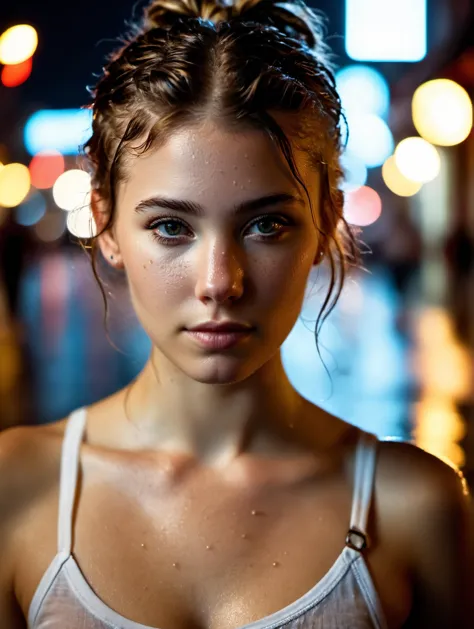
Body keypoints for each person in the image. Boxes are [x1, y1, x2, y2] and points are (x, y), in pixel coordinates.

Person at [0, 0, 471, 627]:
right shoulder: (17, 489)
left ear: (326, 222)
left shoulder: (415, 507)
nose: (220, 282)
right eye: (171, 226)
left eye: (266, 224)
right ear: (106, 223)